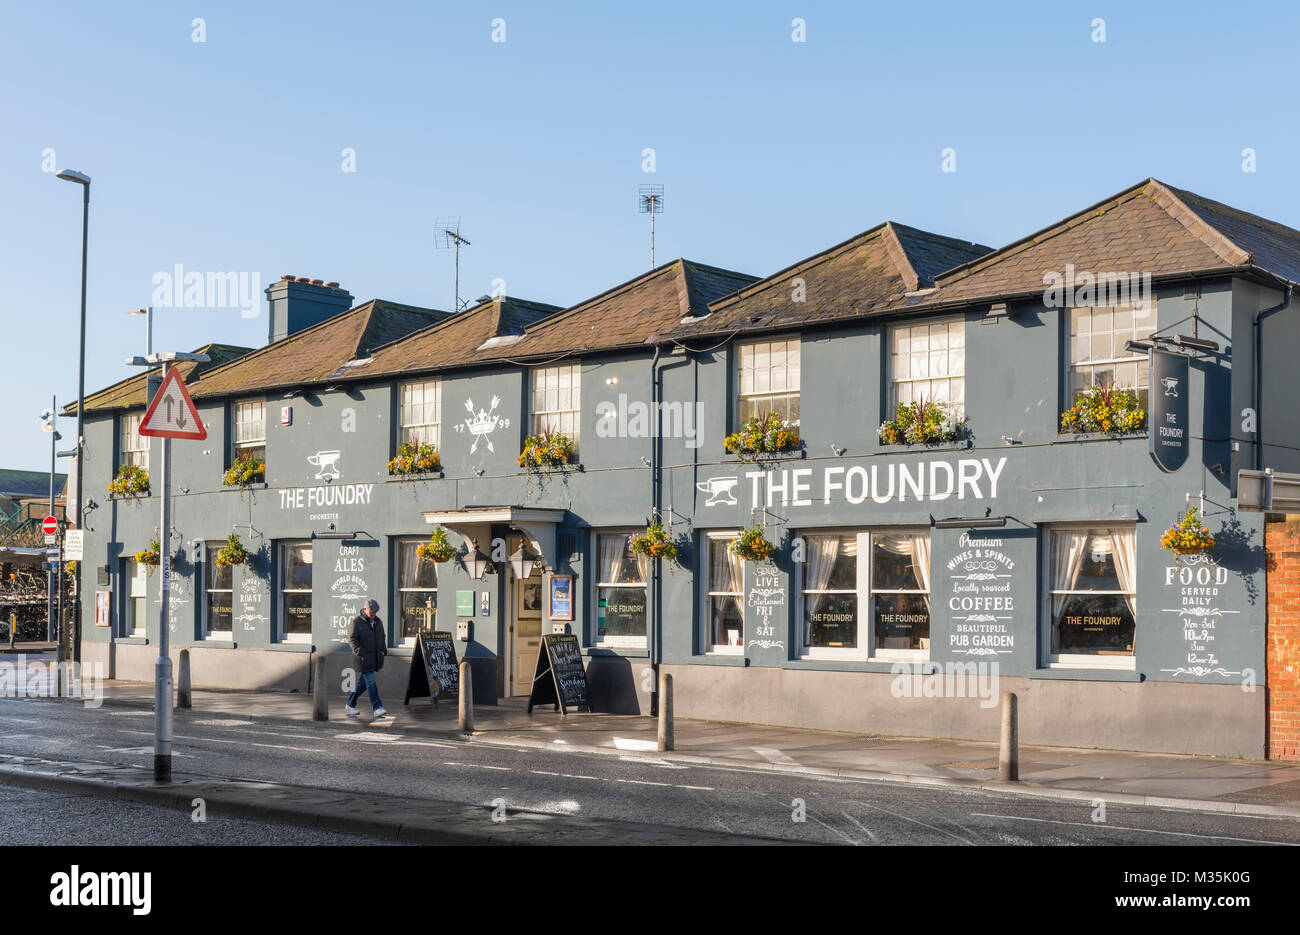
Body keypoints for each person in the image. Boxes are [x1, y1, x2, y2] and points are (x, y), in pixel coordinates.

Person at [345, 599, 388, 717]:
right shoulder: (356, 622)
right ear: (365, 609)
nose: (373, 614)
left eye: (375, 612)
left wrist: (383, 650)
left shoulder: (378, 622)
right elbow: (352, 639)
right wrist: (361, 653)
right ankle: (377, 707)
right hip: (363, 659)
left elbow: (382, 637)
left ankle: (350, 705)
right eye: (371, 612)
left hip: (375, 658)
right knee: (371, 682)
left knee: (362, 684)